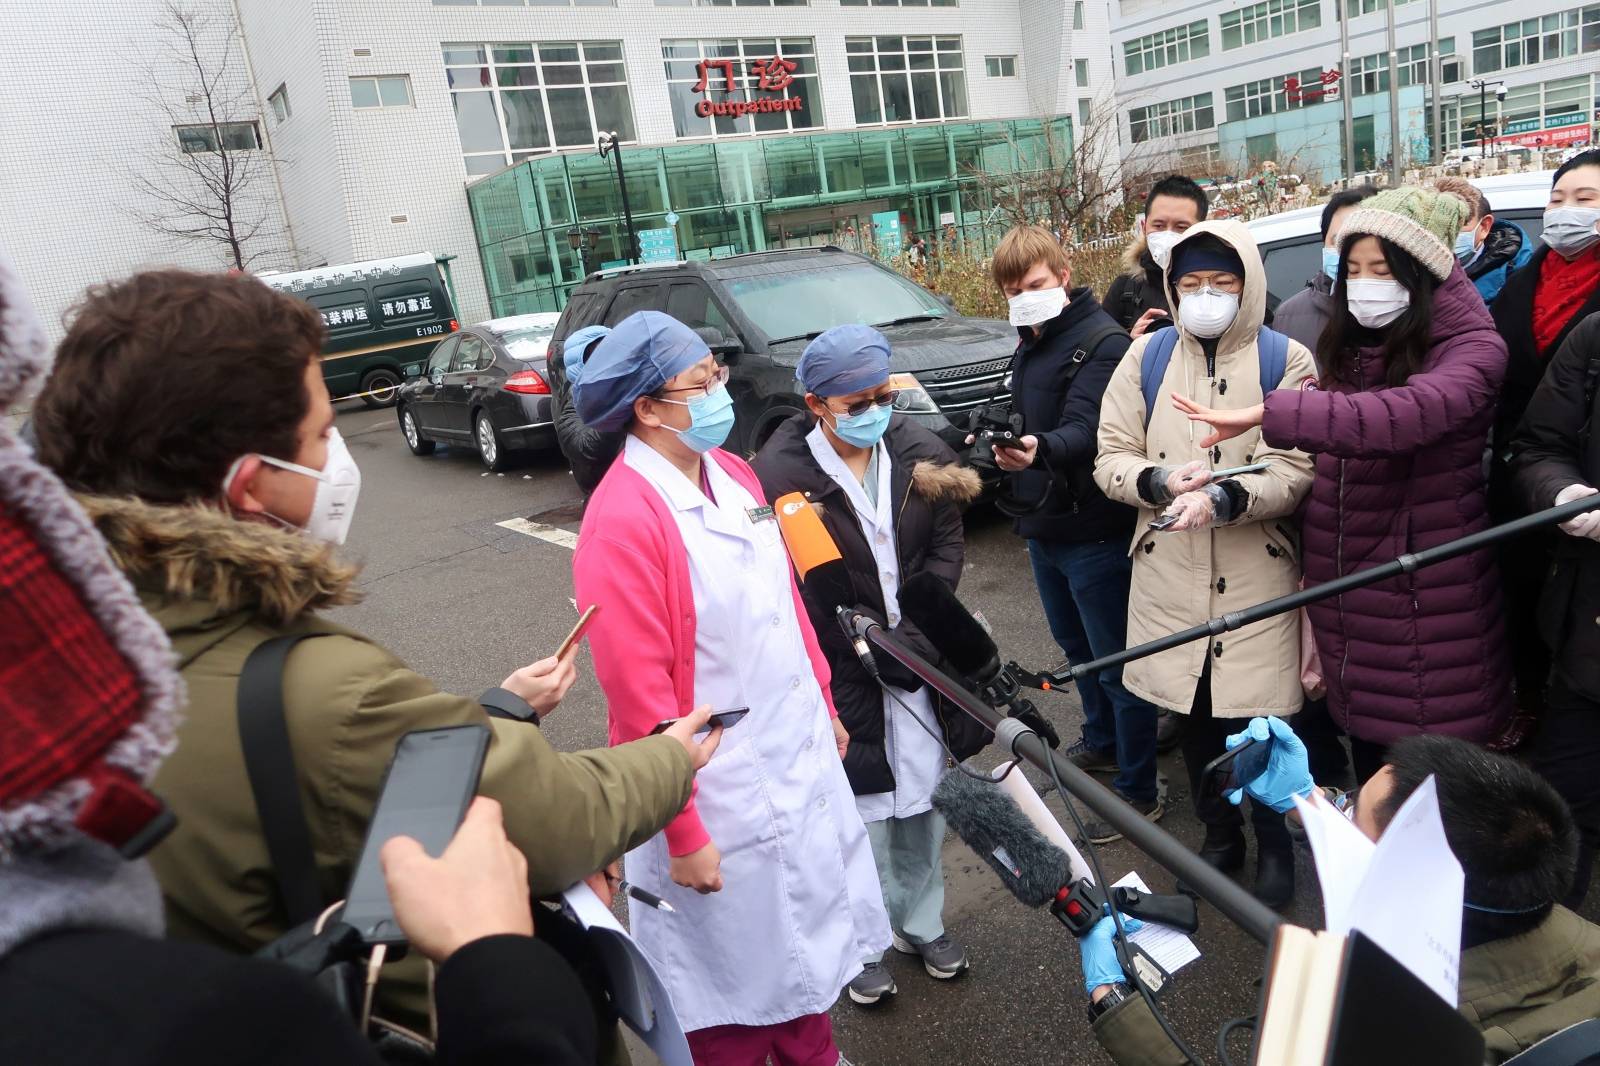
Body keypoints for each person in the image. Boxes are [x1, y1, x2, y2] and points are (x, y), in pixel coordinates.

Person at [29, 270, 722, 1044]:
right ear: (251, 487)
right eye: (324, 436)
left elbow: (336, 776)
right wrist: (668, 758)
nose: (338, 459)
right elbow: (551, 817)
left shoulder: (59, 657)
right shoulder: (318, 687)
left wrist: (497, 709)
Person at [571, 310, 889, 1066]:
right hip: (714, 793)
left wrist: (822, 699)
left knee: (807, 960)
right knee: (731, 988)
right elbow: (638, 693)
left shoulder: (734, 473)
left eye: (716, 373)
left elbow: (786, 601)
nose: (720, 390)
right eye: (699, 382)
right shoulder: (621, 520)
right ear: (647, 409)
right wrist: (682, 831)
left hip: (792, 750)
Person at [1175, 187, 1515, 782]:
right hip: (1354, 608)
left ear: (1424, 274)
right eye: (1352, 267)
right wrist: (1226, 477)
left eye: (1381, 270)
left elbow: (1398, 417)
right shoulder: (1357, 348)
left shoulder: (1475, 348)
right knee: (1371, 781)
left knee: (1432, 805)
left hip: (1427, 608)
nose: (1362, 283)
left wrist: (1268, 412)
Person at [1078, 720, 1600, 1066]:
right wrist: (1310, 801)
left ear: (1404, 896)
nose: (1336, 808)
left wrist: (1116, 1003)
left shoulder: (1387, 1043)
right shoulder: (1554, 919)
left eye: (1347, 814)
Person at [752, 324, 986, 1006]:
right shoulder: (781, 478)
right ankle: (860, 941)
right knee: (853, 811)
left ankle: (921, 922)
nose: (873, 410)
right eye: (855, 402)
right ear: (815, 402)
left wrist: (914, 635)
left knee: (920, 798)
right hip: (839, 662)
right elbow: (784, 584)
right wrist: (846, 648)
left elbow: (945, 547)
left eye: (882, 395)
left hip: (914, 656)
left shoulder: (920, 455)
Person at [1094, 222, 1317, 907]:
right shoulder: (1147, 358)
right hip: (1170, 567)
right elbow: (1110, 455)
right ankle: (1220, 835)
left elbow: (1296, 466)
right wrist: (1159, 483)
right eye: (1191, 284)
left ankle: (1276, 843)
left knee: (1264, 720)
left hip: (1259, 569)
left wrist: (1226, 498)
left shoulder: (1288, 358)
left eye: (1222, 283)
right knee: (1191, 715)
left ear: (1248, 285)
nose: (1207, 296)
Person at [977, 224, 1163, 844]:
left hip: (1094, 528)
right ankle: (1104, 744)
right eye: (1012, 290)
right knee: (1078, 652)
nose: (1023, 298)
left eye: (1032, 284)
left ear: (1062, 273)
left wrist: (1037, 450)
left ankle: (1139, 791)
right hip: (1044, 525)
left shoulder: (1100, 340)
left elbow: (1089, 429)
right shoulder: (1033, 340)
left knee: (1116, 663)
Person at [1490, 150, 1600, 720]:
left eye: (1585, 201)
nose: (1566, 212)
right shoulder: (1524, 281)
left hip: (1587, 481)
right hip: (1524, 474)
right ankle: (1530, 701)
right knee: (1522, 595)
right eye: (1558, 200)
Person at [1510, 307, 1600, 908]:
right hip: (1587, 640)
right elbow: (1538, 445)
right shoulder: (1593, 337)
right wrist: (1562, 494)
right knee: (1564, 815)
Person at [1272, 184, 1378, 354]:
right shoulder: (1288, 317)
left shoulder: (1405, 309)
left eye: (1355, 241)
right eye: (1337, 242)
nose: (1347, 254)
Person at [1104, 175, 1210, 340]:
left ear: (1201, 230)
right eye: (1159, 225)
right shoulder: (1125, 290)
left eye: (1181, 227)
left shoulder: (1223, 286)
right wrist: (1129, 344)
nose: (1168, 234)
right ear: (1144, 227)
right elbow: (1103, 359)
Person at [1433, 176, 1533, 306]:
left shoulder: (1520, 279)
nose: (1447, 232)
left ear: (1485, 226)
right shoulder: (1412, 275)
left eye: (1459, 223)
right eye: (1438, 224)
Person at [553, 323, 626, 495]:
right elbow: (586, 446)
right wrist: (622, 410)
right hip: (609, 503)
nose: (610, 363)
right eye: (599, 358)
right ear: (581, 366)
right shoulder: (572, 408)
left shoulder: (629, 389)